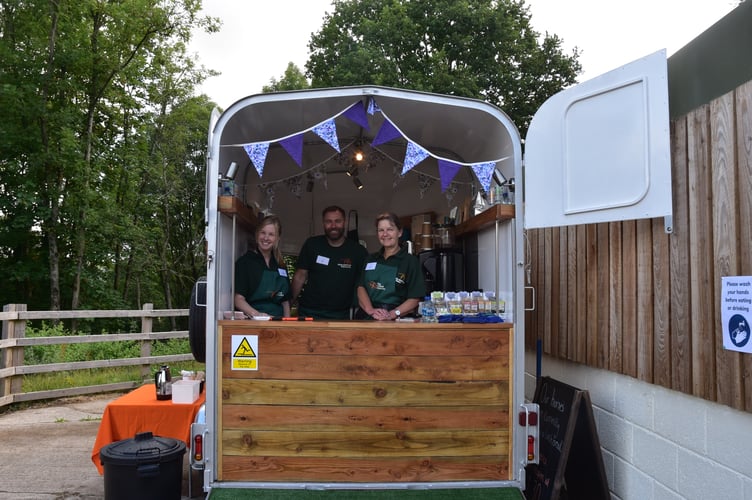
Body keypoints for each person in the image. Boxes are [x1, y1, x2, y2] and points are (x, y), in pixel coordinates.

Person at [291, 206, 368, 319]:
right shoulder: (312, 244)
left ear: (344, 222)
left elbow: (363, 284)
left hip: (341, 314)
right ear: (323, 223)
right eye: (328, 221)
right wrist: (289, 302)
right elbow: (300, 276)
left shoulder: (358, 251)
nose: (333, 226)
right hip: (309, 311)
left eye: (338, 221)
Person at [356, 212, 425, 321]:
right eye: (381, 230)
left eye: (390, 229)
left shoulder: (410, 261)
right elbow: (361, 287)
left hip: (396, 319)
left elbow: (415, 298)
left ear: (400, 232)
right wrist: (370, 310)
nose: (385, 234)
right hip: (367, 317)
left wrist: (393, 314)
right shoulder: (370, 259)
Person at [234, 215, 291, 318]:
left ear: (277, 238)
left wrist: (287, 322)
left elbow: (285, 301)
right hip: (254, 321)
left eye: (271, 234)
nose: (266, 238)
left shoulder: (280, 265)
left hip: (278, 321)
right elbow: (238, 299)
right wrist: (257, 315)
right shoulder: (245, 263)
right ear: (257, 234)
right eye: (263, 233)